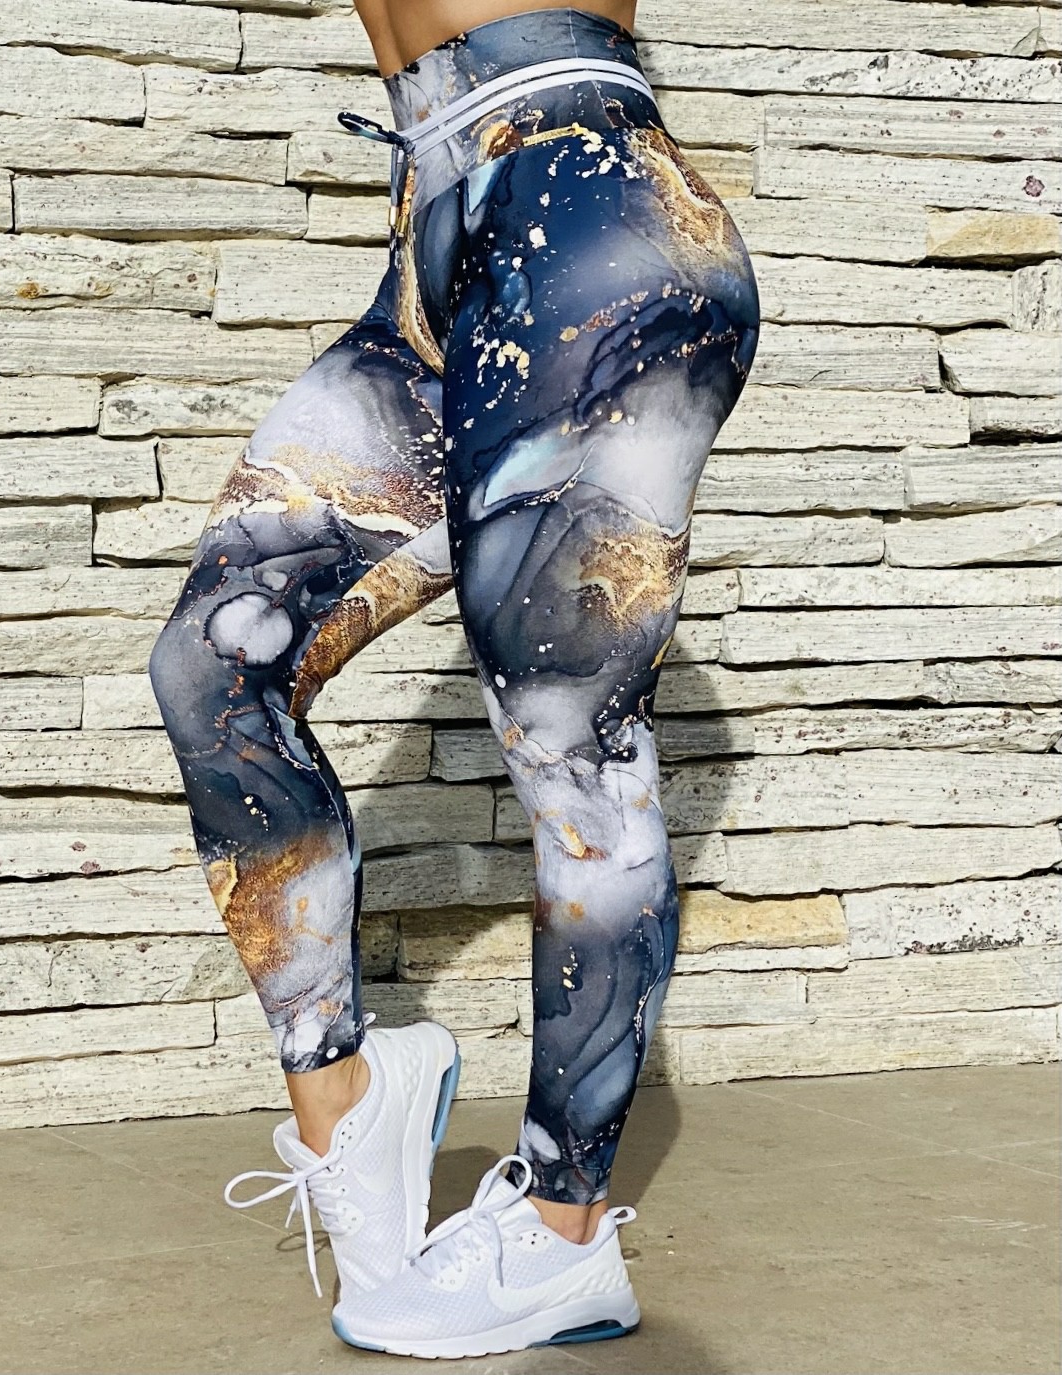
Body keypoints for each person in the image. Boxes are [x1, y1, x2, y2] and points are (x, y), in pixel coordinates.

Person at [148, 0, 760, 1357]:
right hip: (436, 236)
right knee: (213, 667)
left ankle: (565, 1235)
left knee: (569, 742)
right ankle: (353, 1097)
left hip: (587, 213)